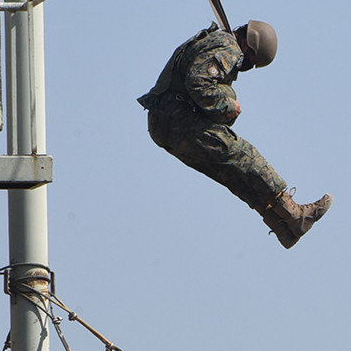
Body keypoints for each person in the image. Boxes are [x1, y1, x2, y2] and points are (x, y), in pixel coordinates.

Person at [138, 21, 332, 249]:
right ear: (249, 47)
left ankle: (283, 227)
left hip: (164, 126)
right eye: (250, 61)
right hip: (178, 120)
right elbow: (198, 82)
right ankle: (293, 212)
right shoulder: (228, 46)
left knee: (231, 172)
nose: (245, 66)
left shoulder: (217, 43)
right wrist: (227, 105)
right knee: (244, 156)